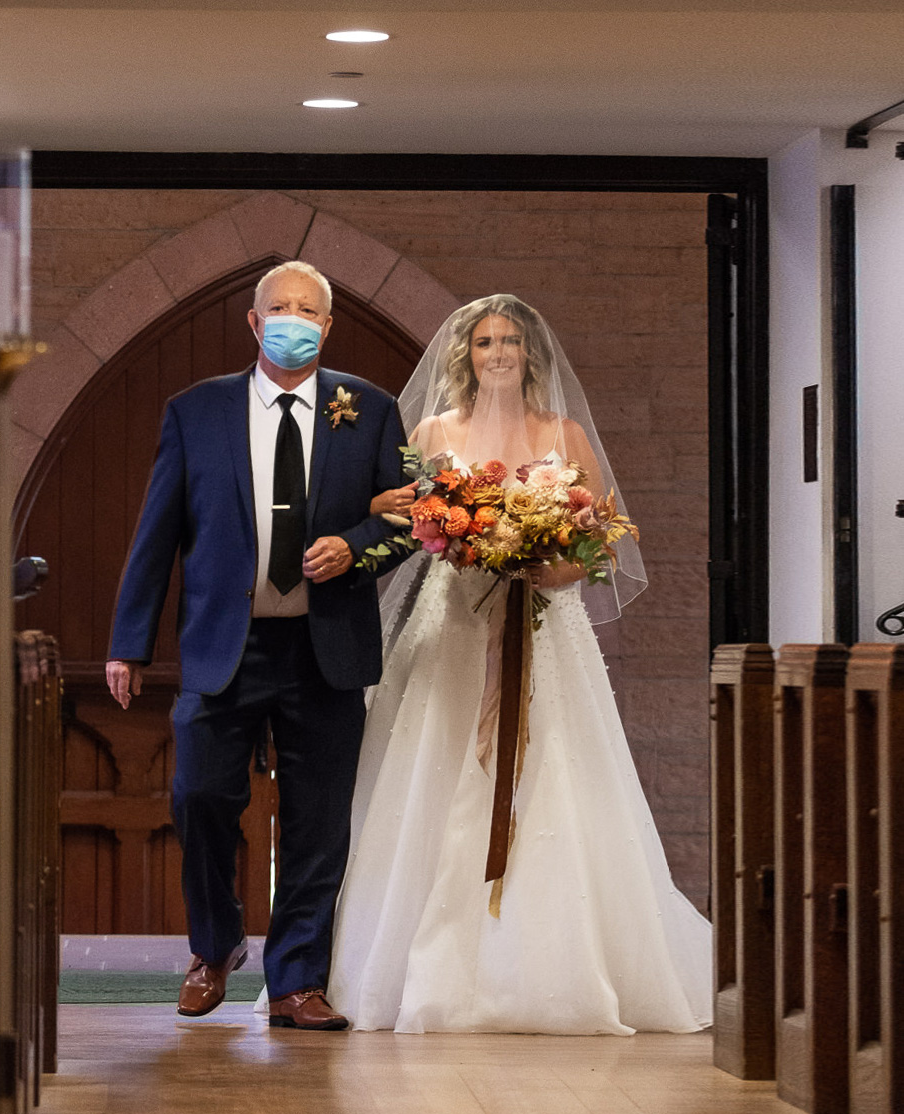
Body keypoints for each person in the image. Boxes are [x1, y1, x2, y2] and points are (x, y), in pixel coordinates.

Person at [327, 294, 713, 1034]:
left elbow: (598, 537)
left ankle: (552, 967)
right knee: (433, 771)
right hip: (455, 628)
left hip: (542, 626)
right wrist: (449, 529)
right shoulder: (434, 430)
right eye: (482, 342)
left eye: (507, 341)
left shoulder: (560, 432)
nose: (496, 352)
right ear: (465, 356)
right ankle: (407, 966)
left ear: (529, 353)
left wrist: (552, 568)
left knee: (554, 774)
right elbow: (395, 510)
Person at [107, 261, 407, 1030]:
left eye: (308, 310)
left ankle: (297, 981)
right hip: (221, 646)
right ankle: (213, 949)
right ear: (252, 321)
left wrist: (355, 547)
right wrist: (127, 643)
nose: (293, 319)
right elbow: (157, 534)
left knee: (316, 819)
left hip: (325, 646)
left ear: (328, 326)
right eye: (279, 308)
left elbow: (407, 520)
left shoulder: (368, 410)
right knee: (199, 797)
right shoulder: (195, 411)